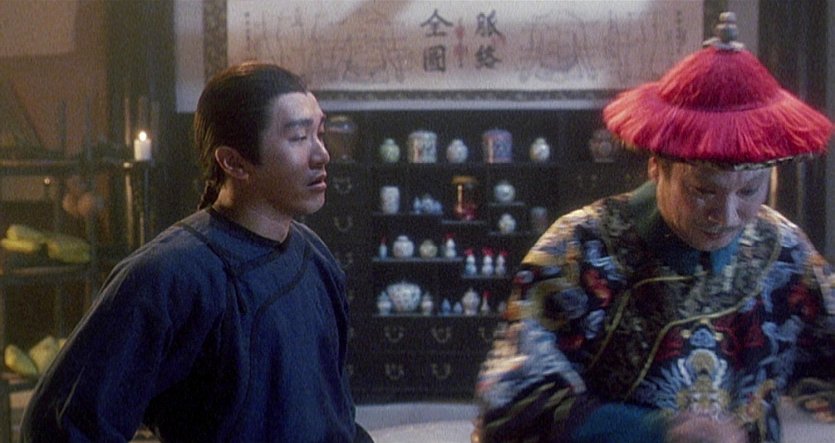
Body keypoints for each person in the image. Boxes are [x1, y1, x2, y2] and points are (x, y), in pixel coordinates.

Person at [472, 12, 834, 443]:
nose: (728, 215)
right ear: (656, 167)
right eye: (703, 191)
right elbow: (510, 405)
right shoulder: (579, 249)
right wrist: (654, 431)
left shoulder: (783, 249)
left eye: (750, 190)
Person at [21, 61, 371, 442]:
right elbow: (59, 425)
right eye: (299, 137)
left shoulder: (316, 257)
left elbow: (335, 413)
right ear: (233, 162)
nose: (322, 155)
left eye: (319, 133)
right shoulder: (170, 274)